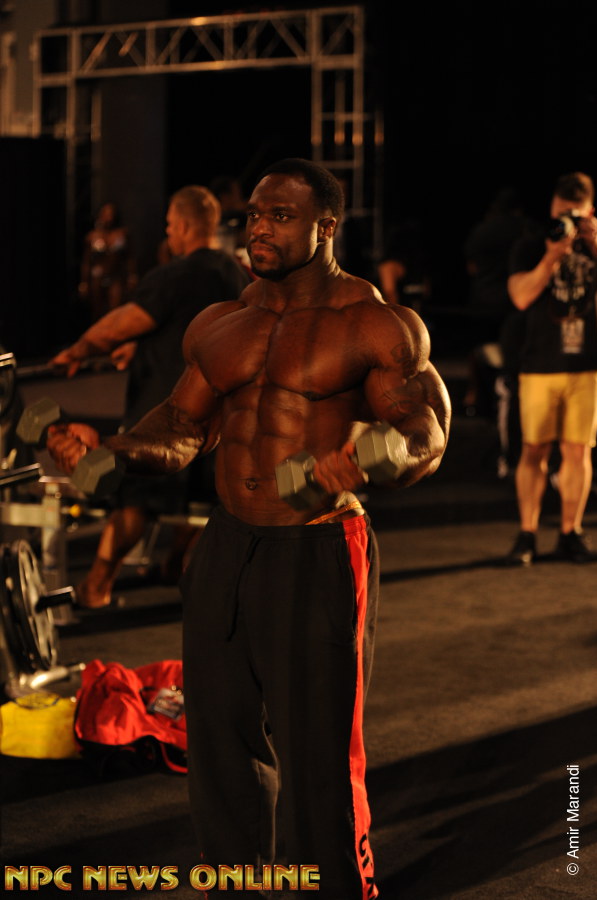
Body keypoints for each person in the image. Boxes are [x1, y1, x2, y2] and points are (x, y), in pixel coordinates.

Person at [47, 158, 451, 899]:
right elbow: (181, 426)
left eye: (280, 216)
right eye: (255, 215)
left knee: (317, 754)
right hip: (228, 542)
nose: (259, 228)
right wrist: (112, 450)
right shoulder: (223, 321)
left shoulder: (372, 323)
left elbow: (427, 429)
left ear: (326, 226)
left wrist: (376, 457)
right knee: (219, 744)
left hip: (318, 546)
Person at [52, 185, 250, 607]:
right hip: (217, 414)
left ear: (184, 226)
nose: (169, 233)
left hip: (165, 409)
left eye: (170, 226)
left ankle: (97, 586)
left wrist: (77, 351)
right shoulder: (237, 275)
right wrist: (140, 347)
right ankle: (175, 564)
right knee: (195, 498)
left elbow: (122, 323)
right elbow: (189, 328)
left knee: (135, 500)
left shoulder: (175, 274)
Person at [505, 172, 597, 565]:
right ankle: (527, 533)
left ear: (590, 213)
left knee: (578, 451)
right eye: (562, 214)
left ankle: (570, 532)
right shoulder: (532, 244)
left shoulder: (595, 246)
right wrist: (550, 258)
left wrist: (595, 245)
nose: (567, 223)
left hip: (587, 365)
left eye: (576, 216)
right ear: (552, 209)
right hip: (540, 364)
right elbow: (520, 297)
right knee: (534, 449)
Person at [79, 202, 137, 323]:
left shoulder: (122, 234)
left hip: (115, 275)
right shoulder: (92, 236)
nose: (109, 217)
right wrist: (84, 282)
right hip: (97, 276)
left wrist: (132, 275)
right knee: (97, 311)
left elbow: (129, 257)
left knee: (115, 309)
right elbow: (86, 261)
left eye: (111, 214)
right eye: (106, 214)